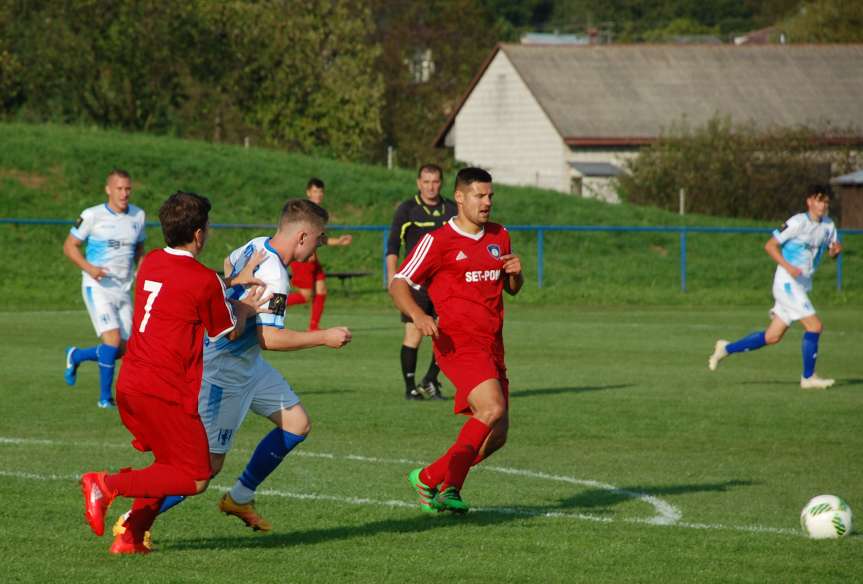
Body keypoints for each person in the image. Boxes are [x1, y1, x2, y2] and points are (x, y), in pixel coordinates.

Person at [120, 199, 352, 539]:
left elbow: (228, 264)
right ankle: (132, 519)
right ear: (302, 236)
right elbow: (269, 338)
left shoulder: (258, 245)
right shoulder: (275, 275)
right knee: (204, 468)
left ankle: (240, 498)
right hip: (222, 372)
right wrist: (324, 336)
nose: (318, 247)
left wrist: (233, 286)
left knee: (297, 424)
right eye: (318, 239)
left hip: (248, 365)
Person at [79, 191, 265, 555]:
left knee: (168, 465)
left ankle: (131, 537)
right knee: (196, 476)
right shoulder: (202, 280)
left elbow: (189, 282)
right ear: (199, 234)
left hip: (131, 383)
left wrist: (229, 282)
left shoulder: (151, 262)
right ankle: (105, 484)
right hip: (165, 390)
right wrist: (243, 308)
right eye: (207, 227)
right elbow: (226, 331)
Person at [390, 167, 523, 514]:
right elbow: (399, 282)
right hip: (457, 342)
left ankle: (438, 480)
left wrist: (515, 275)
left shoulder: (500, 235)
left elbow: (511, 290)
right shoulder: (437, 241)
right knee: (491, 409)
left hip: (493, 344)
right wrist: (418, 316)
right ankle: (440, 483)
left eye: (490, 196)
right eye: (480, 196)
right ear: (460, 198)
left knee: (497, 435)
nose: (487, 202)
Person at [708, 185, 842, 389]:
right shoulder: (797, 222)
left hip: (802, 285)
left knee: (772, 337)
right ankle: (808, 378)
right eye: (819, 200)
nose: (823, 205)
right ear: (809, 201)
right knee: (815, 326)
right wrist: (788, 266)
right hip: (786, 282)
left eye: (825, 201)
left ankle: (726, 348)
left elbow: (833, 251)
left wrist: (835, 253)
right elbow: (770, 245)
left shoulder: (829, 226)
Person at [62, 169, 146, 408]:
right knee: (112, 340)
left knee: (125, 348)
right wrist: (89, 268)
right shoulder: (92, 215)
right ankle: (105, 399)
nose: (124, 193)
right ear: (108, 189)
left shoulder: (138, 216)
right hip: (97, 286)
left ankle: (76, 355)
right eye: (119, 188)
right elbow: (70, 246)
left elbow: (139, 247)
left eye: (128, 189)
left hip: (123, 288)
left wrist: (141, 269)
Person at [386, 164, 457, 401]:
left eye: (435, 181)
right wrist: (392, 277)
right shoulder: (408, 209)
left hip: (445, 283)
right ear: (419, 183)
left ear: (441, 183)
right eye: (426, 182)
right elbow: (393, 246)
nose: (431, 186)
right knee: (414, 334)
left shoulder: (452, 209)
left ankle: (429, 379)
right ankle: (410, 388)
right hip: (415, 284)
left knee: (448, 333)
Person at [287, 178, 352, 330]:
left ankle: (314, 326)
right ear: (308, 192)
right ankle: (270, 304)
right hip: (303, 259)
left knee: (321, 290)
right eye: (315, 191)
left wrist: (338, 241)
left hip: (313, 259)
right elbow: (299, 235)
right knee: (304, 296)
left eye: (321, 191)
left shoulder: (319, 214)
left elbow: (319, 239)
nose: (318, 194)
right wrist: (304, 253)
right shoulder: (305, 213)